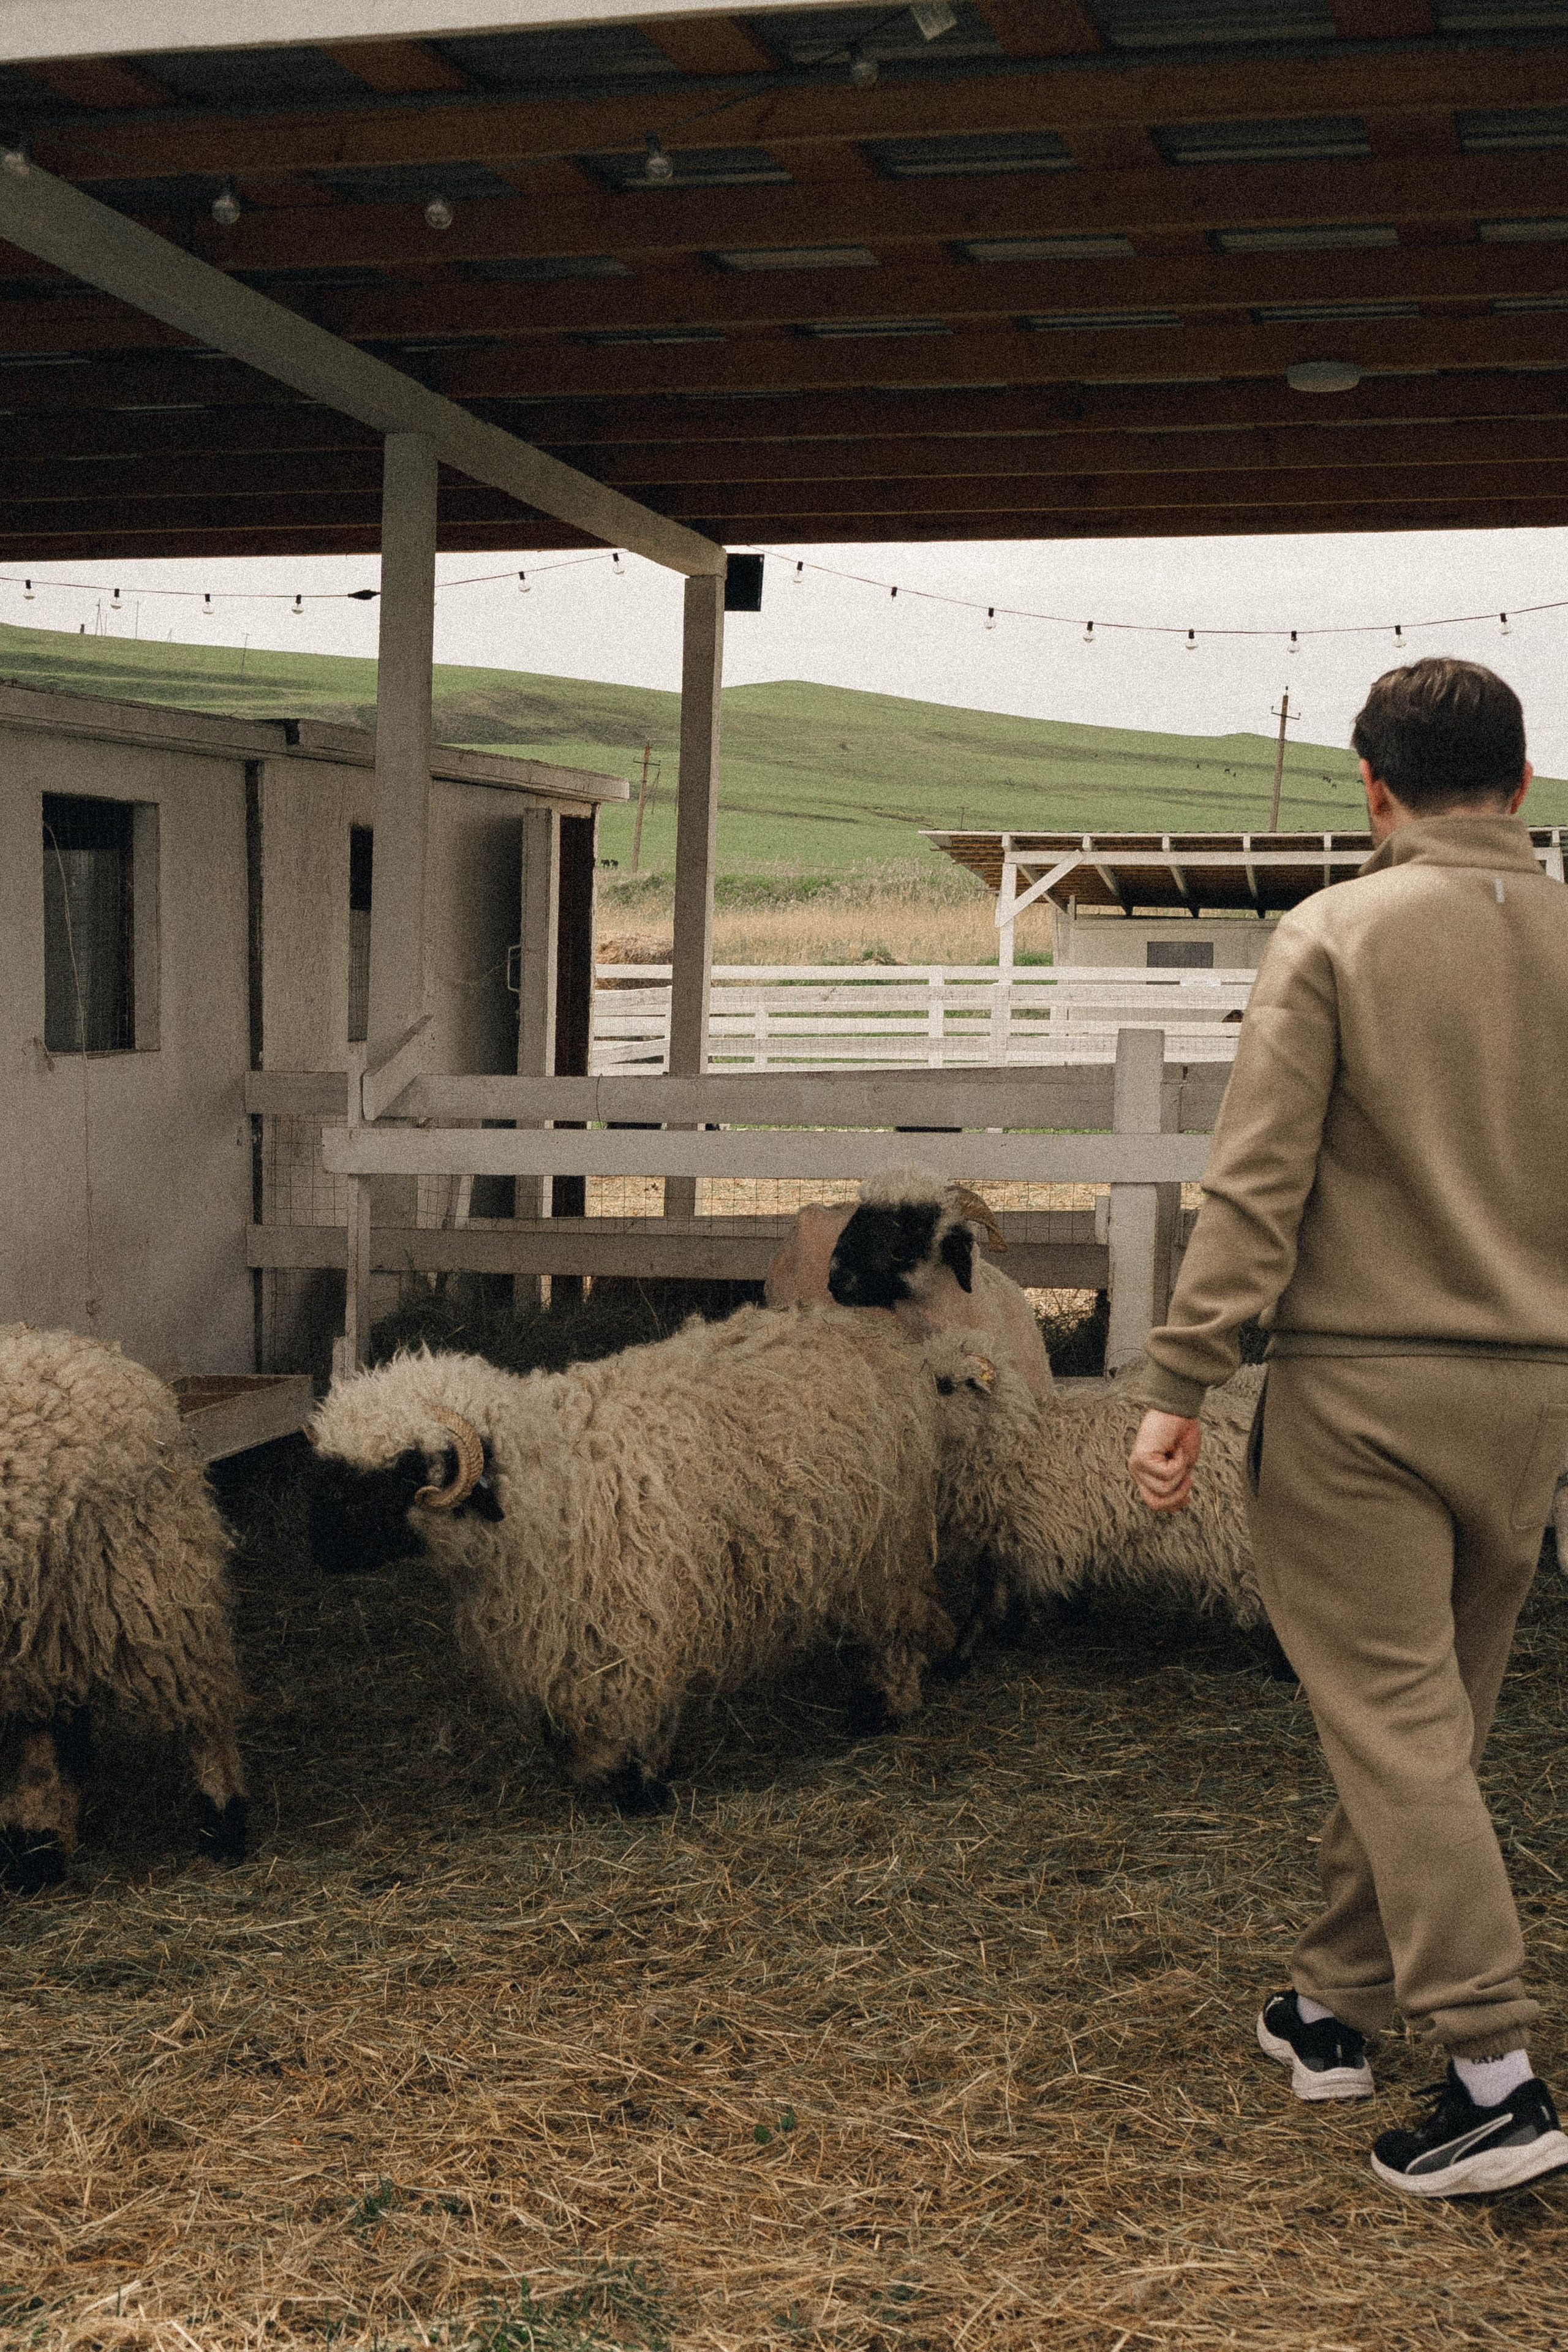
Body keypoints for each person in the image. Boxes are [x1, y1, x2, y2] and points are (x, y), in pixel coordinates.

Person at [1126, 656, 1568, 2199]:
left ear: (1371, 792)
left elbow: (1257, 1189)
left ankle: (1494, 2079)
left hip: (1360, 1399)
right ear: (1521, 783)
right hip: (1530, 1402)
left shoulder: (1330, 935)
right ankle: (1329, 2003)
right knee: (1422, 1727)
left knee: (1393, 1728)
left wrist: (1178, 1382)